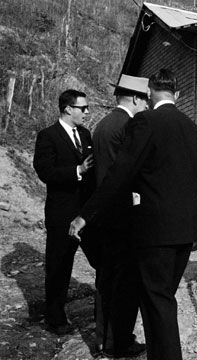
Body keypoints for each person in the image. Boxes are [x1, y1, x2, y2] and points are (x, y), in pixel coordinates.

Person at [69, 69, 197, 360]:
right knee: (162, 299)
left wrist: (86, 214)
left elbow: (120, 174)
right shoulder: (194, 129)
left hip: (156, 231)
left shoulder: (146, 121)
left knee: (157, 303)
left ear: (148, 93)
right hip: (187, 231)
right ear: (178, 95)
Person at [90, 75, 148, 357]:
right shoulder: (128, 126)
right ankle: (118, 342)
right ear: (136, 98)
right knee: (123, 281)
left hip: (102, 214)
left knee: (105, 278)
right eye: (145, 100)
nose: (146, 105)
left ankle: (103, 339)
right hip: (122, 214)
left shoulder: (102, 124)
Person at [33, 89, 95, 336]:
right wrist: (77, 170)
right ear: (69, 108)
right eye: (83, 108)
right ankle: (55, 317)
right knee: (59, 265)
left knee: (100, 259)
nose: (87, 112)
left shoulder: (86, 134)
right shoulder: (48, 136)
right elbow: (45, 172)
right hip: (61, 214)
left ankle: (104, 314)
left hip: (87, 213)